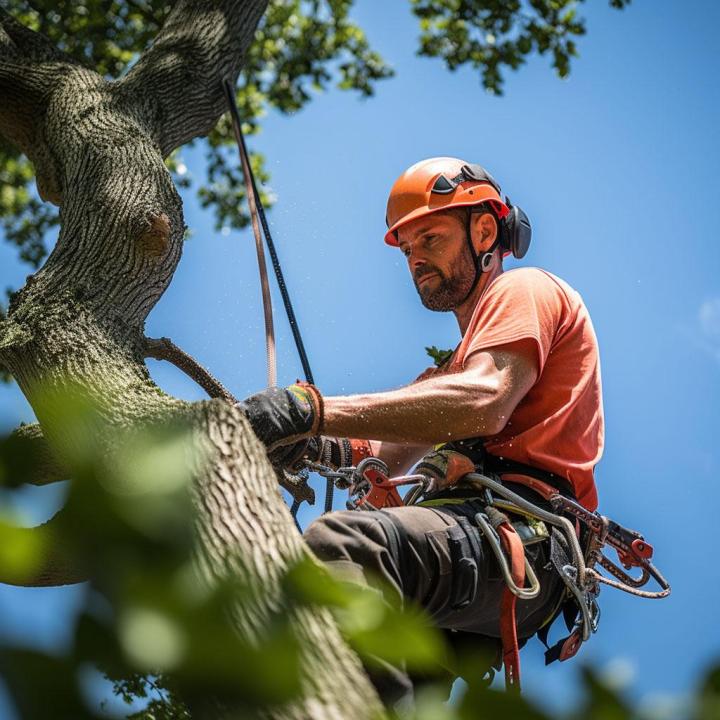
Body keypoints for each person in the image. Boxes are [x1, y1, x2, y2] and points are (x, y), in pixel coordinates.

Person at [240, 156, 604, 705]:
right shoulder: (449, 375)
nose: (416, 261)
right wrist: (309, 441)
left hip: (517, 534)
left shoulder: (523, 291)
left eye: (429, 239)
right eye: (407, 251)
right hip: (465, 554)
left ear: (484, 230)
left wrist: (307, 410)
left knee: (346, 545)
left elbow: (485, 401)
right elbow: (381, 450)